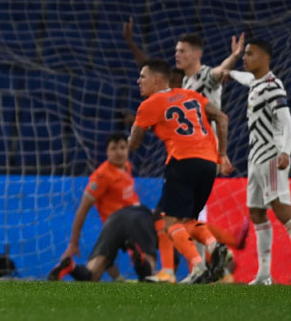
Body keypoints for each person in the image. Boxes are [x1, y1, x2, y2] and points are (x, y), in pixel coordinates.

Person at [121, 21, 248, 282]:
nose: (138, 81)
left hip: (182, 161)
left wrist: (134, 128)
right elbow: (222, 118)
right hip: (208, 162)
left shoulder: (150, 104)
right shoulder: (191, 95)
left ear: (158, 80)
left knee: (169, 223)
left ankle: (192, 266)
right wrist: (223, 153)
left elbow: (133, 144)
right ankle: (214, 249)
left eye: (142, 77)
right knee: (188, 220)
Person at [222, 39, 291, 285]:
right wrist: (230, 73)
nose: (245, 57)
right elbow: (246, 79)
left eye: (250, 54)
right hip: (255, 157)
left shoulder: (273, 86)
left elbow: (286, 121)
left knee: (281, 209)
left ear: (264, 58)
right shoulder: (257, 82)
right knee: (256, 212)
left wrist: (286, 152)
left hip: (272, 155)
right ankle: (263, 275)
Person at [48, 133, 153, 282]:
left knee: (93, 275)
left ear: (128, 150)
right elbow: (83, 209)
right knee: (150, 266)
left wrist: (119, 279)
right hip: (125, 222)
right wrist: (73, 243)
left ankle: (71, 267)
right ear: (106, 152)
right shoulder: (101, 176)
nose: (119, 152)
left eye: (122, 147)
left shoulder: (126, 167)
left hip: (113, 227)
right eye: (113, 148)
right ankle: (146, 261)